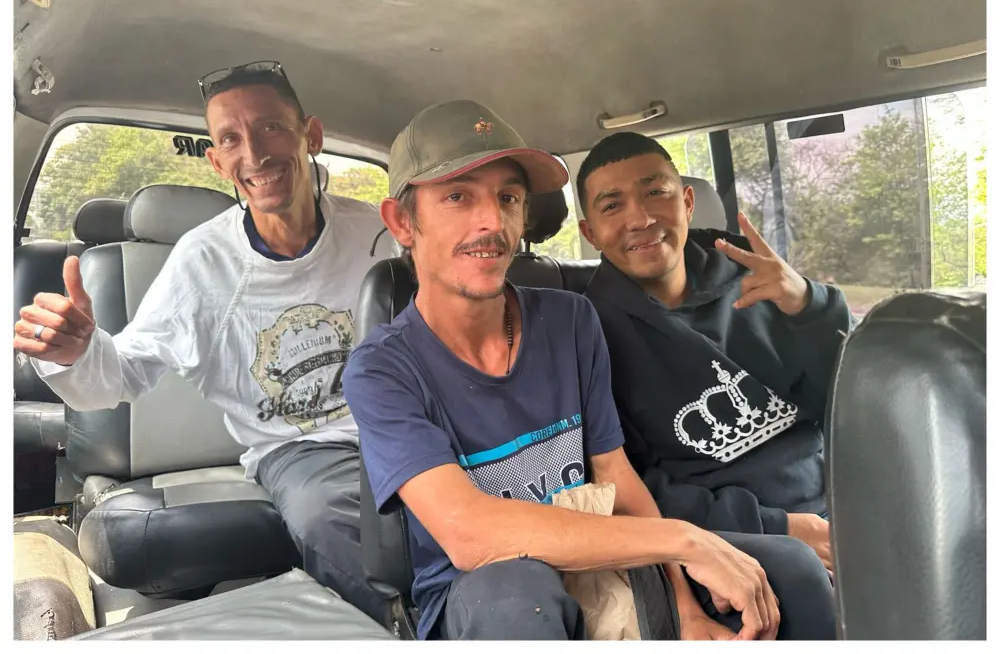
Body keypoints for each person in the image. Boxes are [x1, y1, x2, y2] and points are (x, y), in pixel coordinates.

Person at [342, 100, 836, 641]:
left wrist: (680, 607)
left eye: (508, 198)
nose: (490, 221)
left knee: (793, 570)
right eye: (458, 197)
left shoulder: (568, 319)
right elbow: (469, 534)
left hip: (605, 560)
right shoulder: (382, 368)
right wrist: (685, 541)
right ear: (402, 222)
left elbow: (615, 476)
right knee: (518, 595)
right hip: (485, 589)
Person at [12, 60, 396, 623]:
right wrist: (77, 353)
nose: (255, 154)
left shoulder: (376, 233)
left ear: (309, 135)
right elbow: (120, 375)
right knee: (330, 516)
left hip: (398, 426)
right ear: (217, 162)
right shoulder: (202, 262)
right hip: (300, 450)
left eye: (270, 128)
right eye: (231, 139)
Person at [577, 131, 856, 572]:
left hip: (844, 500)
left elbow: (856, 399)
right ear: (589, 232)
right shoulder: (588, 333)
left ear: (687, 202)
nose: (642, 218)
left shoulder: (760, 277)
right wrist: (778, 527)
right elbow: (629, 486)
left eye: (656, 193)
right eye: (613, 205)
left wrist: (809, 305)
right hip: (730, 538)